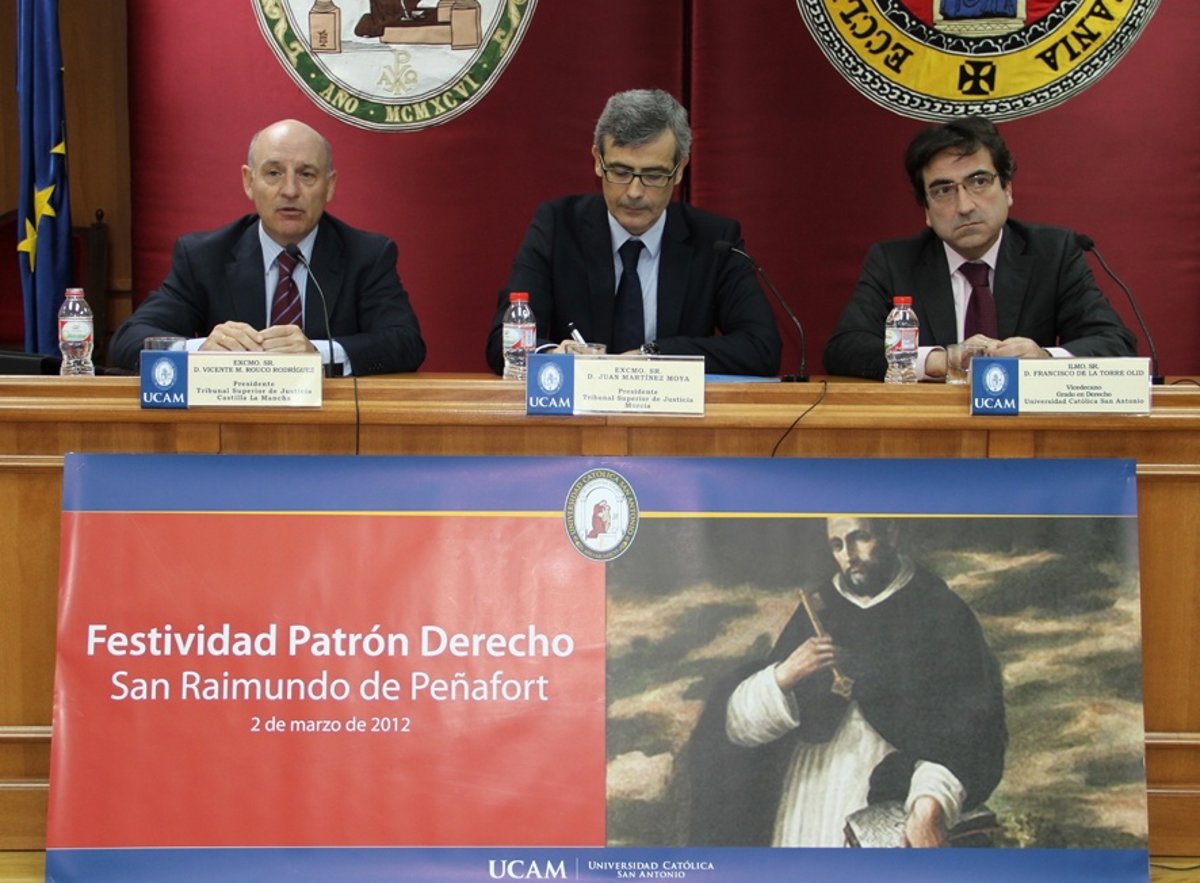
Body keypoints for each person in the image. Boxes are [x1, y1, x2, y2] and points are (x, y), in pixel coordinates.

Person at [688, 517, 1006, 848]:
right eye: (837, 545)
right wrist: (786, 674)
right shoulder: (820, 607)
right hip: (814, 791)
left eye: (860, 538)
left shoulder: (938, 608)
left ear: (891, 534)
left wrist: (930, 802)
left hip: (900, 788)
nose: (849, 555)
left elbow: (972, 730)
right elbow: (739, 726)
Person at [485, 89, 781, 377]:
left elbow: (762, 348)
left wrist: (652, 356)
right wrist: (554, 357)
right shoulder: (557, 227)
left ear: (680, 170)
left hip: (673, 410)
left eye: (653, 175)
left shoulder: (714, 240)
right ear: (597, 161)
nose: (635, 192)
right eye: (621, 172)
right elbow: (503, 341)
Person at [823, 116, 1136, 380]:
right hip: (932, 426)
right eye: (943, 190)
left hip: (1026, 427)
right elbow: (845, 349)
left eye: (979, 182)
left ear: (1008, 189)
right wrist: (939, 360)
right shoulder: (894, 263)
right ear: (926, 211)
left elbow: (1115, 343)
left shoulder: (1053, 254)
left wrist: (1044, 360)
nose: (964, 206)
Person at [109, 119, 425, 376]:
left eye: (306, 174)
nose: (290, 190)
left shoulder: (366, 256)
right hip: (232, 427)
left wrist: (318, 353)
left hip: (332, 425)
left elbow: (405, 343)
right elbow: (128, 340)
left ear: (329, 186)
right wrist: (200, 349)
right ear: (249, 182)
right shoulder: (204, 257)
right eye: (274, 173)